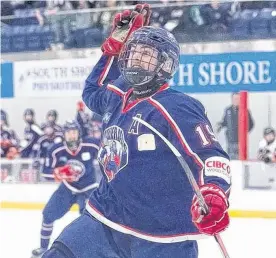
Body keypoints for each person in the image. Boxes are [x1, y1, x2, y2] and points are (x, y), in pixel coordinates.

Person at [43, 4, 231, 258]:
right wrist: (112, 50)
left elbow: (211, 157)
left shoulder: (177, 106)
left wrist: (215, 192)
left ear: (165, 65)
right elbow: (92, 92)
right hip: (104, 218)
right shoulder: (118, 95)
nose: (136, 59)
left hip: (161, 235)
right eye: (133, 52)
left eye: (147, 55)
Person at [32, 120, 100, 257]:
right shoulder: (56, 150)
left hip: (89, 187)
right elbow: (45, 172)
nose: (72, 135)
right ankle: (43, 248)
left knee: (90, 223)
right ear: (64, 135)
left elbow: (107, 158)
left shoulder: (91, 144)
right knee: (48, 214)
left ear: (79, 133)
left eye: (74, 132)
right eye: (68, 133)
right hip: (68, 188)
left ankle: (90, 252)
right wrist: (58, 173)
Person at [217, 92, 254, 159]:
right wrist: (221, 125)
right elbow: (225, 121)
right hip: (230, 139)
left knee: (241, 158)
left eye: (237, 99)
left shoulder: (245, 110)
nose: (236, 100)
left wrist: (244, 133)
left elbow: (251, 124)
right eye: (234, 98)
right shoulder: (228, 110)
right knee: (231, 158)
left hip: (240, 141)